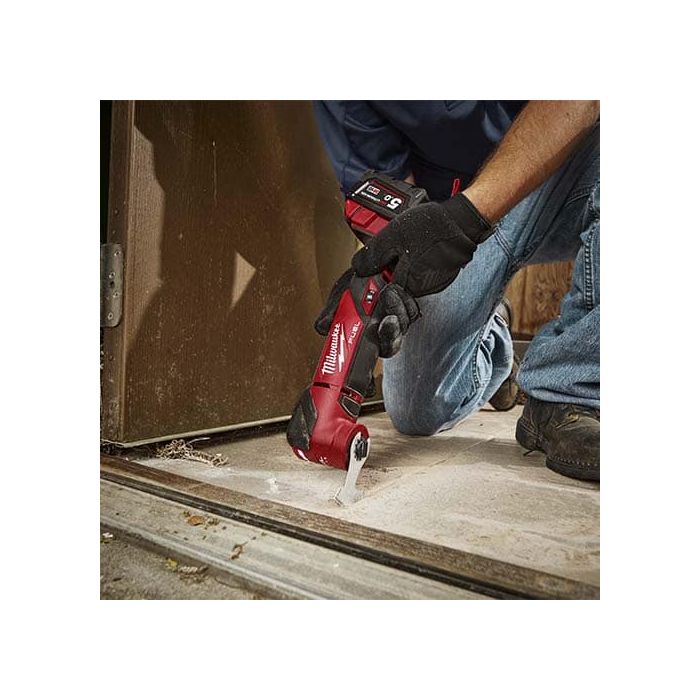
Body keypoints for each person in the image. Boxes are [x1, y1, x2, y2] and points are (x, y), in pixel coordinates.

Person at [313, 101, 600, 482]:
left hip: (566, 178)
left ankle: (569, 389)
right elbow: (387, 202)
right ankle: (492, 336)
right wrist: (391, 273)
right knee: (417, 409)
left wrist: (469, 213)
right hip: (450, 225)